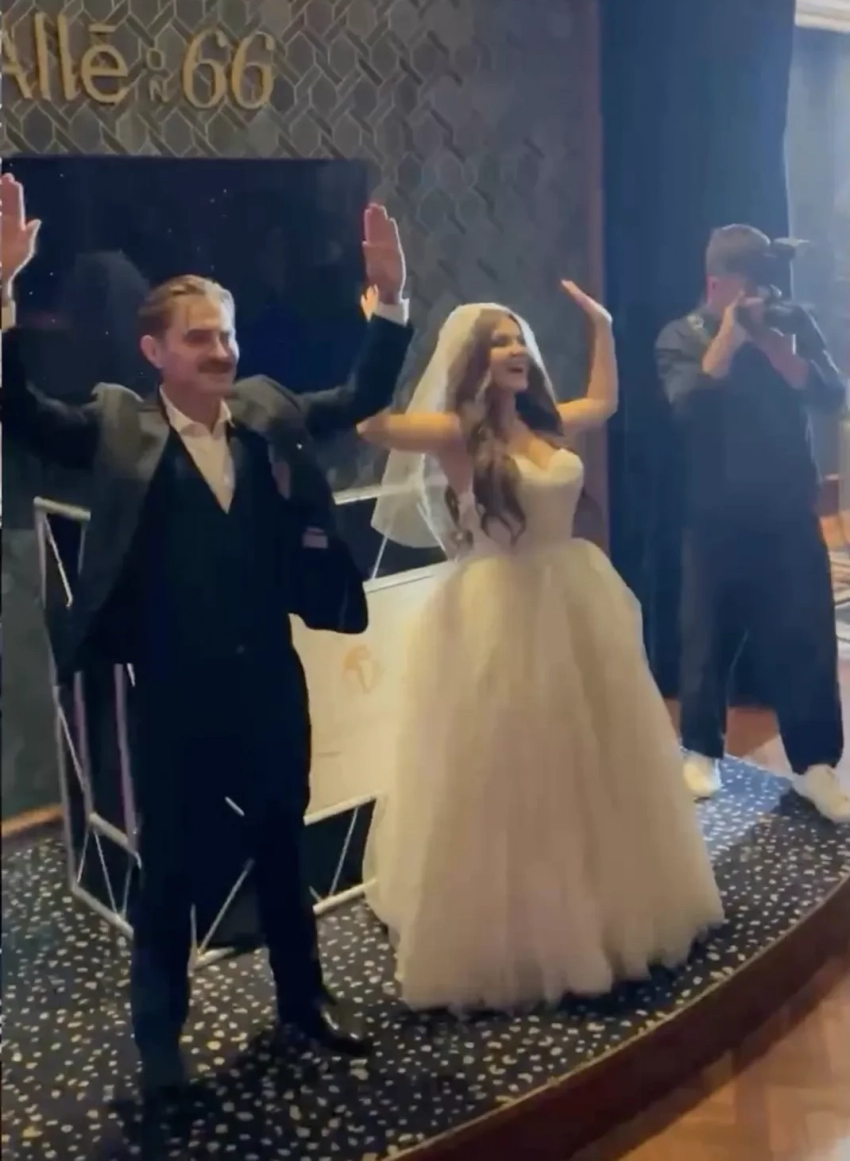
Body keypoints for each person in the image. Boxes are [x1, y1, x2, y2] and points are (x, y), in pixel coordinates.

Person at [0, 172, 414, 1094]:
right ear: (155, 350)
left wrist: (391, 302)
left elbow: (359, 394)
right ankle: (159, 1042)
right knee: (172, 871)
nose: (221, 350)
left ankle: (303, 1001)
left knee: (282, 843)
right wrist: (2, 291)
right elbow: (19, 413)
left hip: (269, 679)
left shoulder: (267, 410)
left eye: (225, 334)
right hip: (174, 693)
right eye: (199, 338)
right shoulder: (117, 425)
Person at [355, 283, 724, 1013]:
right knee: (514, 764)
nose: (516, 349)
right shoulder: (455, 433)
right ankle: (524, 929)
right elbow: (372, 425)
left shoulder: (547, 423)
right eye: (499, 342)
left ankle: (606, 908)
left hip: (576, 595)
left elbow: (606, 401)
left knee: (592, 755)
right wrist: (382, 331)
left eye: (519, 338)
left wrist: (604, 326)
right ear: (473, 360)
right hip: (499, 603)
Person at [656, 225, 848, 823]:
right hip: (714, 516)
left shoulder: (791, 324)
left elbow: (833, 393)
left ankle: (815, 766)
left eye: (765, 282)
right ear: (716, 282)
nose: (761, 295)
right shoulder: (681, 336)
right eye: (749, 284)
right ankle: (701, 751)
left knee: (806, 637)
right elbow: (687, 409)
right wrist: (731, 339)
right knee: (705, 638)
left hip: (788, 510)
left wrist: (780, 352)